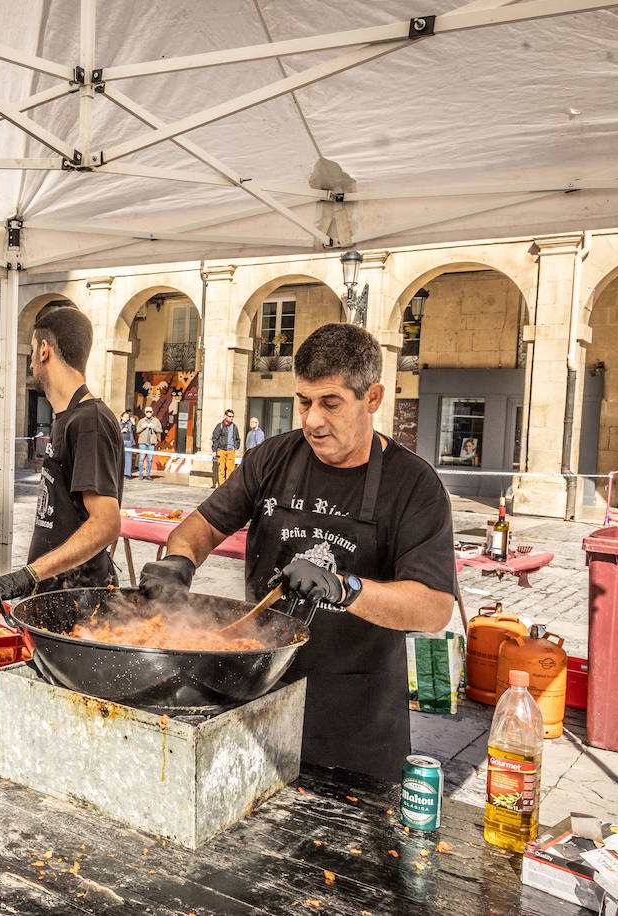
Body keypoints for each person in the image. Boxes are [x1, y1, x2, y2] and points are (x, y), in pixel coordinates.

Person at [138, 323, 455, 783]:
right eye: (303, 402)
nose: (311, 420)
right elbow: (200, 527)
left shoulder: (414, 486)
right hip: (258, 696)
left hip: (355, 724)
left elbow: (433, 608)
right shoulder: (272, 457)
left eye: (330, 403)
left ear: (373, 398)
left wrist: (346, 589)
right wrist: (178, 563)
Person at [0, 307, 124, 607]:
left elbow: (106, 524)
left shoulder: (90, 421)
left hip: (80, 603)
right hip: (55, 594)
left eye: (32, 351)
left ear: (44, 350)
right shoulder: (66, 418)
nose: (31, 362)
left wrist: (28, 575)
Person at [210, 408, 239, 487]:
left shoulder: (234, 427)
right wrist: (214, 450)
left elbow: (237, 438)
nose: (231, 418)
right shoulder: (220, 426)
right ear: (225, 416)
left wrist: (236, 446)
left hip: (231, 450)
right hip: (221, 450)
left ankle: (228, 485)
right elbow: (215, 438)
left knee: (231, 469)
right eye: (230, 416)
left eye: (232, 416)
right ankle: (222, 486)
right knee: (221, 469)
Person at [135, 405, 162, 479]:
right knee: (141, 459)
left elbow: (160, 430)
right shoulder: (141, 421)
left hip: (151, 443)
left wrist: (154, 427)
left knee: (150, 459)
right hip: (143, 443)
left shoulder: (156, 421)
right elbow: (137, 431)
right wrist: (142, 427)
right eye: (147, 412)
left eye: (150, 412)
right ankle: (141, 474)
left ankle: (148, 475)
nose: (148, 413)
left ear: (152, 412)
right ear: (145, 413)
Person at [119, 409, 137, 479]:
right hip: (122, 442)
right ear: (121, 417)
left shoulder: (129, 424)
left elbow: (135, 430)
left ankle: (127, 474)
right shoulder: (118, 424)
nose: (127, 418)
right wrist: (121, 431)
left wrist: (134, 423)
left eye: (128, 417)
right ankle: (120, 474)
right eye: (125, 417)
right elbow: (115, 433)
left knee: (128, 458)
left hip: (129, 442)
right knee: (121, 459)